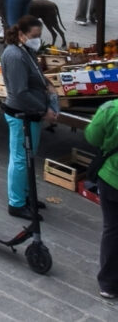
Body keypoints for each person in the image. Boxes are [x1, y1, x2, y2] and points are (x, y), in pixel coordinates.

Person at [1, 15, 58, 220]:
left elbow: (35, 72)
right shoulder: (14, 56)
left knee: (27, 157)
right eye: (35, 36)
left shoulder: (27, 50)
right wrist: (45, 110)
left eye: (39, 36)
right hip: (20, 114)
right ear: (22, 35)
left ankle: (26, 196)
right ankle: (16, 203)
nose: (38, 39)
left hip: (31, 113)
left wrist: (47, 84)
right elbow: (19, 92)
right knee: (19, 159)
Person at [86, 98, 118, 299]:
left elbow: (92, 137)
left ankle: (109, 284)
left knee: (112, 229)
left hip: (111, 179)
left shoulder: (110, 109)